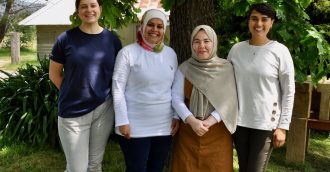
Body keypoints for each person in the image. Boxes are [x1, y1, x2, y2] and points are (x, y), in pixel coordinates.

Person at [49, 0, 122, 171]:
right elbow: (54, 74)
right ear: (77, 11)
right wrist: (72, 91)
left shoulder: (112, 40)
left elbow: (118, 76)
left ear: (100, 8)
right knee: (77, 168)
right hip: (73, 114)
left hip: (103, 110)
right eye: (83, 6)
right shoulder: (65, 39)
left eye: (93, 5)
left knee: (95, 166)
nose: (89, 10)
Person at [227, 3, 295, 172]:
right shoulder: (236, 50)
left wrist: (282, 127)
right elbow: (226, 85)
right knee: (244, 168)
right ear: (248, 21)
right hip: (239, 122)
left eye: (264, 19)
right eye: (254, 19)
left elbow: (288, 91)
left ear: (271, 22)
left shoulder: (280, 51)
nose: (259, 24)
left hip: (266, 124)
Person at [112, 9, 179, 172]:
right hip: (134, 125)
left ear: (164, 30)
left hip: (164, 126)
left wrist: (176, 115)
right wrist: (122, 120)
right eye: (150, 24)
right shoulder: (127, 53)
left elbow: (175, 89)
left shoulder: (171, 54)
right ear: (142, 26)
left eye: (159, 26)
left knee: (156, 168)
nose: (155, 30)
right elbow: (117, 88)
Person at [171, 25, 238, 172]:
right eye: (196, 41)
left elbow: (230, 101)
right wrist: (192, 121)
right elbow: (176, 98)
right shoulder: (185, 68)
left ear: (213, 43)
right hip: (189, 131)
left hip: (217, 132)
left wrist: (208, 122)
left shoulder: (225, 68)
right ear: (192, 44)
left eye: (206, 41)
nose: (201, 46)